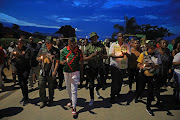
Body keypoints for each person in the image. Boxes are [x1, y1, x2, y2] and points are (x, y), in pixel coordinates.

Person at [135, 41, 161, 116]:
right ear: (147, 47)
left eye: (153, 48)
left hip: (153, 75)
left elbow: (159, 65)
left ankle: (148, 107)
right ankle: (137, 96)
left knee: (150, 91)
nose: (152, 50)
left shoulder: (157, 55)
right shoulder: (143, 54)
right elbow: (138, 64)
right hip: (144, 75)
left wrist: (156, 66)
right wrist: (142, 66)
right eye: (150, 48)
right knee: (141, 88)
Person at [60, 37, 83, 116]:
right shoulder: (64, 51)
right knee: (68, 88)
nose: (72, 45)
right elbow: (61, 61)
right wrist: (64, 62)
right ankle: (71, 100)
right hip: (66, 72)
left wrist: (82, 73)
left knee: (74, 90)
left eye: (73, 44)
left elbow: (81, 61)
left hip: (75, 72)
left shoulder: (79, 51)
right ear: (68, 44)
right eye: (70, 44)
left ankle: (74, 107)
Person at [84, 32, 107, 106]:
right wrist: (92, 55)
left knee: (101, 83)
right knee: (91, 84)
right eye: (93, 38)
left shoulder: (101, 46)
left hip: (100, 67)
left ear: (97, 38)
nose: (94, 39)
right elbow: (84, 58)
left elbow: (106, 56)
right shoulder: (88, 47)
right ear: (91, 39)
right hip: (91, 68)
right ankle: (92, 99)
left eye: (95, 37)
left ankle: (97, 89)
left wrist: (100, 54)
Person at [37, 37, 60, 108]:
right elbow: (37, 58)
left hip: (51, 71)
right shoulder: (42, 50)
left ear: (52, 43)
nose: (47, 44)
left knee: (51, 86)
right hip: (43, 71)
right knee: (41, 85)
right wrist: (40, 59)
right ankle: (43, 100)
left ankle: (50, 99)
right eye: (46, 43)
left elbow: (57, 61)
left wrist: (55, 71)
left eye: (49, 43)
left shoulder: (55, 51)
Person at [109, 33, 131, 103]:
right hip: (115, 66)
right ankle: (112, 96)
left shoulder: (126, 45)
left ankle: (118, 93)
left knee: (120, 81)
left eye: (122, 37)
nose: (121, 38)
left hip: (123, 66)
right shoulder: (113, 45)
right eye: (120, 36)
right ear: (117, 38)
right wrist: (119, 57)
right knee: (114, 82)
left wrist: (125, 54)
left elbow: (129, 54)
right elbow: (111, 54)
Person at [11, 39, 31, 106]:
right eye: (18, 43)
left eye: (21, 43)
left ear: (23, 43)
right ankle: (24, 96)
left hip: (25, 69)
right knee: (21, 83)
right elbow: (12, 60)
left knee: (24, 82)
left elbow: (27, 58)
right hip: (19, 69)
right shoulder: (15, 49)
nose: (19, 44)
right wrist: (13, 59)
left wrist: (19, 56)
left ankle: (26, 98)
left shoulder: (27, 50)